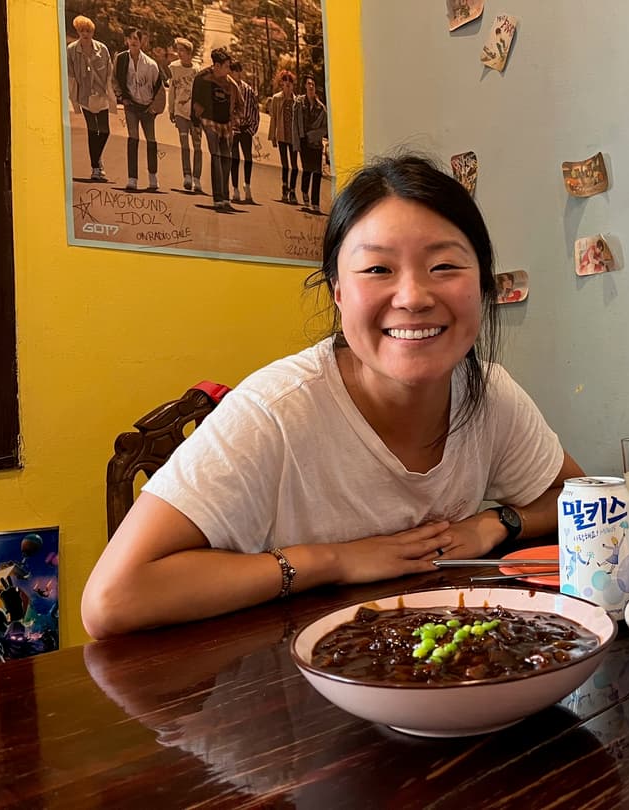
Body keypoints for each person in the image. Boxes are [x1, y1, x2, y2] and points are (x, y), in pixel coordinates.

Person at [81, 154, 583, 638]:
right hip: (275, 692)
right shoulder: (275, 411)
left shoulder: (487, 392)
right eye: (378, 270)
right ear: (339, 292)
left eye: (445, 266)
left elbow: (577, 500)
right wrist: (333, 559)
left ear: (482, 285)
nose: (412, 297)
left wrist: (496, 523)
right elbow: (113, 599)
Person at [66, 15, 116, 182]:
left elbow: (110, 72)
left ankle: (97, 160)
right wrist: (74, 100)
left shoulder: (102, 49)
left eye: (87, 31)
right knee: (92, 131)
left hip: (101, 95)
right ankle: (96, 168)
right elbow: (71, 75)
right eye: (81, 31)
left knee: (105, 131)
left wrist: (111, 94)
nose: (85, 34)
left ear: (92, 31)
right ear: (78, 31)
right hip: (85, 97)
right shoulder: (72, 50)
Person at [192, 48, 243, 212]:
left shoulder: (231, 84)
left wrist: (236, 117)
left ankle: (225, 197)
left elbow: (241, 105)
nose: (229, 70)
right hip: (209, 121)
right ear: (217, 66)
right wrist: (196, 122)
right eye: (226, 66)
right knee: (216, 156)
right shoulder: (202, 78)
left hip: (226, 124)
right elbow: (195, 99)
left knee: (226, 158)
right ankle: (217, 198)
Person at [113, 29, 164, 191]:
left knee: (151, 140)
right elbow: (114, 80)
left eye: (136, 38)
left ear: (142, 42)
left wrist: (154, 108)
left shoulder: (150, 64)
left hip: (147, 107)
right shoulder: (120, 59)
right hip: (131, 106)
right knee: (133, 138)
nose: (133, 41)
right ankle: (132, 178)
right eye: (130, 38)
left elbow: (159, 88)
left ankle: (153, 177)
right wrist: (122, 97)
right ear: (126, 40)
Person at [168, 37, 203, 192]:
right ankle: (187, 176)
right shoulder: (174, 68)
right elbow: (172, 90)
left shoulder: (197, 70)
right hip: (180, 112)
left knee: (197, 147)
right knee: (184, 145)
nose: (179, 53)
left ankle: (197, 178)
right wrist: (171, 110)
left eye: (182, 50)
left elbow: (202, 93)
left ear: (189, 53)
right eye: (178, 50)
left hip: (195, 115)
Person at [293, 75, 329, 212]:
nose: (311, 86)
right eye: (309, 84)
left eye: (313, 84)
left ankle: (316, 203)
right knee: (307, 169)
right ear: (305, 86)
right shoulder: (299, 103)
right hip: (303, 142)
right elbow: (295, 125)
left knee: (317, 172)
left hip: (316, 143)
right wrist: (297, 142)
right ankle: (304, 191)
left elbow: (326, 127)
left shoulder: (321, 108)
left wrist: (314, 135)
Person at [228, 62, 260, 204]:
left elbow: (255, 110)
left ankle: (247, 185)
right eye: (233, 71)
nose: (235, 74)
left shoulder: (248, 90)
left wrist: (252, 129)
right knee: (234, 159)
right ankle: (235, 189)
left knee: (248, 158)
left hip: (246, 129)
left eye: (237, 71)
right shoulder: (227, 88)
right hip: (233, 129)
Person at [267, 70, 300, 203]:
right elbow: (273, 118)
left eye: (290, 84)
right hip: (281, 136)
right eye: (285, 84)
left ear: (292, 86)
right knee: (285, 165)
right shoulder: (276, 98)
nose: (288, 87)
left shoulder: (296, 101)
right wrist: (273, 136)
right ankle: (285, 187)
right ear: (282, 85)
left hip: (293, 138)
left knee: (295, 166)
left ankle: (292, 190)